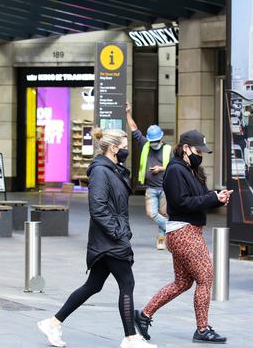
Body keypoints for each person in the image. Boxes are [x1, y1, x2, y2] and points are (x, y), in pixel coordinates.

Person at [37, 128, 156, 348]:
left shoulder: (113, 169)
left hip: (109, 238)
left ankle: (53, 322)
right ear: (113, 148)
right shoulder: (101, 171)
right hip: (109, 240)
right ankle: (130, 338)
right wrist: (118, 233)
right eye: (124, 146)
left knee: (93, 285)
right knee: (127, 283)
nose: (127, 150)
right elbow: (98, 208)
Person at [134, 130, 232, 344]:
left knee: (182, 282)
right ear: (186, 148)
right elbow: (181, 203)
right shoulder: (176, 170)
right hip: (184, 231)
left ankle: (144, 315)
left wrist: (218, 198)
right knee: (205, 278)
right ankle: (202, 329)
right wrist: (211, 198)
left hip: (186, 231)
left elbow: (201, 198)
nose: (201, 155)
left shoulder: (192, 169)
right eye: (198, 151)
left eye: (203, 152)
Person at [126, 102, 171, 250]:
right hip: (151, 187)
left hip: (165, 187)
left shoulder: (168, 149)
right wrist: (127, 112)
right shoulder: (145, 144)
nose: (154, 144)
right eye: (152, 141)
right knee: (151, 213)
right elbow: (134, 129)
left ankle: (161, 240)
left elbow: (174, 166)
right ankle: (172, 229)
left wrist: (161, 168)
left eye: (156, 141)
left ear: (161, 139)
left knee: (163, 213)